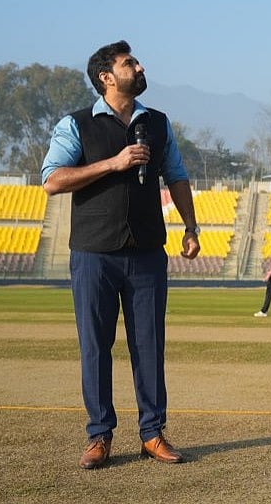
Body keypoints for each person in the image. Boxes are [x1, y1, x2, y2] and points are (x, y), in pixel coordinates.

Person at [41, 40, 200, 469]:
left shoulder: (159, 123)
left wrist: (190, 227)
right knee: (95, 346)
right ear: (106, 78)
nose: (140, 66)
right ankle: (99, 436)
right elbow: (53, 179)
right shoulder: (75, 124)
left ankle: (152, 433)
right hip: (94, 254)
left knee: (149, 345)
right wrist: (113, 163)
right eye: (129, 63)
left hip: (148, 252)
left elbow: (178, 177)